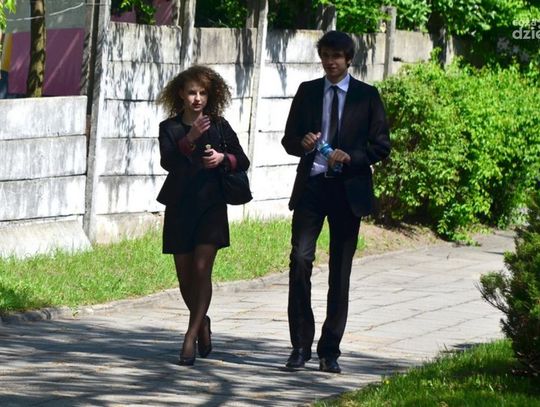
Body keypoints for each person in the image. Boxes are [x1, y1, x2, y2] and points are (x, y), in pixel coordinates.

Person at [281, 31, 391, 373]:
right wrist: (302, 142)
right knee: (300, 259)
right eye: (325, 56)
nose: (330, 62)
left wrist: (351, 156)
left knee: (339, 272)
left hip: (348, 191)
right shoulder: (308, 92)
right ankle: (300, 346)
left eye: (337, 56)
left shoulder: (367, 96)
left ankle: (329, 351)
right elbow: (288, 140)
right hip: (312, 187)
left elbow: (381, 146)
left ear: (348, 60)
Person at [156, 65, 250, 366]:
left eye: (203, 93)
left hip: (212, 205)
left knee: (201, 269)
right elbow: (169, 162)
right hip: (180, 206)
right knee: (185, 278)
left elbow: (243, 160)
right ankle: (203, 322)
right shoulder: (169, 128)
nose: (197, 98)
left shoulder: (219, 125)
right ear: (181, 95)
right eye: (192, 92)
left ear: (211, 96)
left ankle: (189, 336)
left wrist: (223, 158)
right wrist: (191, 138)